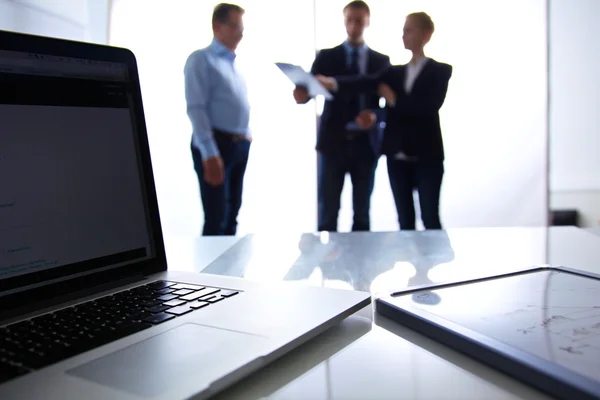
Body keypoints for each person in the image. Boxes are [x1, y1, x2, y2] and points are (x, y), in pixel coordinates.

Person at [317, 12, 452, 230]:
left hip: (427, 156)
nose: (403, 35)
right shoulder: (395, 73)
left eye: (409, 30)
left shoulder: (440, 71)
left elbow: (427, 108)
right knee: (405, 222)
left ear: (426, 34)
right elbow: (363, 82)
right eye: (403, 30)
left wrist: (394, 100)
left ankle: (433, 264)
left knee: (430, 218)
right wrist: (332, 83)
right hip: (397, 157)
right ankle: (416, 264)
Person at [294, 1, 391, 232]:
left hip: (365, 145)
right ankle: (328, 267)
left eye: (359, 20)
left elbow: (390, 105)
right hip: (333, 143)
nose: (354, 25)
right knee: (328, 213)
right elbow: (309, 89)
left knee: (362, 214)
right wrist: (302, 94)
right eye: (349, 20)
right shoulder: (327, 57)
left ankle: (360, 267)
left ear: (368, 21)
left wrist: (375, 117)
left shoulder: (381, 62)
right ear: (344, 21)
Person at [184, 3, 251, 236]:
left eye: (241, 27)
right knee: (216, 217)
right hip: (217, 147)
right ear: (217, 26)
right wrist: (210, 153)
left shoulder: (234, 66)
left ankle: (227, 273)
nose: (240, 32)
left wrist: (246, 135)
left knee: (232, 216)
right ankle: (209, 273)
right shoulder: (201, 60)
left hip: (239, 146)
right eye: (235, 26)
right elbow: (196, 108)